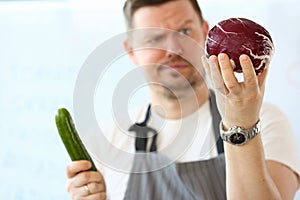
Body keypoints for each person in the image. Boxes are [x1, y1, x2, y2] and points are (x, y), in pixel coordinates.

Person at [65, 0, 300, 199]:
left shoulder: (265, 122)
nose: (174, 49)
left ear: (206, 33)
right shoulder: (106, 141)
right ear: (132, 51)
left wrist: (242, 125)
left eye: (185, 32)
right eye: (154, 39)